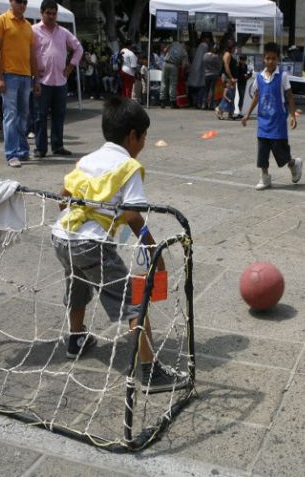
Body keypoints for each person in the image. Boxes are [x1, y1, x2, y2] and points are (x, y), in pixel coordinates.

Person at [50, 96, 190, 393]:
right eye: (144, 138)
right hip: (91, 244)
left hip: (61, 236)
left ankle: (75, 339)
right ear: (132, 136)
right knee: (133, 302)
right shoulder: (128, 166)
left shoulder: (87, 159)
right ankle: (151, 372)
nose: (144, 144)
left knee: (77, 282)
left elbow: (63, 196)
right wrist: (153, 250)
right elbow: (132, 215)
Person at [241, 42, 303, 190]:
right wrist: (248, 115)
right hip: (263, 123)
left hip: (278, 123)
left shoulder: (282, 76)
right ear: (263, 59)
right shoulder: (259, 77)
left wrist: (293, 115)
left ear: (278, 60)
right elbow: (257, 96)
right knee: (262, 152)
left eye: (273, 58)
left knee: (281, 154)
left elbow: (290, 97)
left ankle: (294, 164)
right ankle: (265, 177)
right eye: (268, 58)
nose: (270, 61)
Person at [30, 0, 82, 159]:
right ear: (41, 13)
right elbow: (27, 53)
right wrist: (33, 74)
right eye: (48, 13)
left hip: (60, 81)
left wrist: (71, 67)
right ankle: (40, 148)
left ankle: (58, 146)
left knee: (59, 116)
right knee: (40, 117)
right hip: (41, 81)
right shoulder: (33, 31)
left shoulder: (64, 32)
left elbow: (78, 49)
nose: (51, 16)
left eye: (54, 13)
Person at [0, 0, 39, 168]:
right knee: (11, 115)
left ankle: (22, 150)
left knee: (24, 115)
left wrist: (37, 79)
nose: (22, 5)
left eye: (25, 2)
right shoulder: (1, 20)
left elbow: (32, 54)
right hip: (9, 75)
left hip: (26, 76)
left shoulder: (28, 26)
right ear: (11, 1)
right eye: (19, 1)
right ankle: (11, 153)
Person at [159, 36, 187, 108]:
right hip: (174, 66)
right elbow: (184, 65)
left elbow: (164, 51)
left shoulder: (172, 44)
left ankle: (162, 101)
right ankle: (173, 102)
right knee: (173, 84)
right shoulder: (184, 50)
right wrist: (182, 72)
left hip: (165, 64)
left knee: (164, 82)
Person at [202, 44, 222, 110]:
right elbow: (219, 66)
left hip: (206, 74)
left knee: (206, 90)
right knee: (212, 90)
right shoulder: (216, 57)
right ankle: (211, 105)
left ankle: (204, 104)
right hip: (214, 74)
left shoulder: (205, 55)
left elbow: (203, 63)